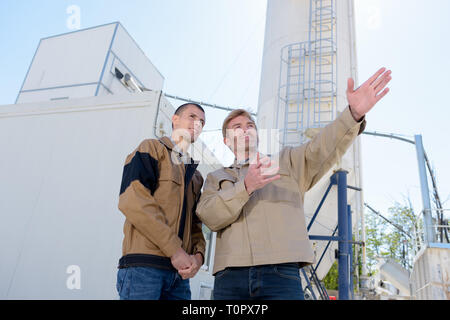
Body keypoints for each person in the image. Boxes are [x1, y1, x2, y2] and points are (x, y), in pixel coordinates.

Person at [196, 68, 392, 300]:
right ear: (227, 141)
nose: (245, 129)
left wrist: (352, 115)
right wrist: (245, 187)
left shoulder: (287, 161)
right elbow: (209, 216)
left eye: (250, 125)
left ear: (258, 135)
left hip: (281, 275)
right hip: (230, 279)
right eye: (236, 127)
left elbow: (321, 147)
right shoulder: (215, 178)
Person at [116, 103, 207, 300]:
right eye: (192, 117)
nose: (197, 123)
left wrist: (198, 258)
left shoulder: (196, 176)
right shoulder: (151, 148)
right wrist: (175, 250)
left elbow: (196, 225)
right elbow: (132, 200)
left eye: (202, 122)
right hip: (144, 268)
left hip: (180, 277)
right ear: (175, 119)